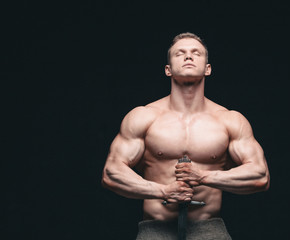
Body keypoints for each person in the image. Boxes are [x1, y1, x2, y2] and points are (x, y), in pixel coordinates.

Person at [102, 32, 270, 240]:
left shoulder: (229, 120)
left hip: (208, 229)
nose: (188, 57)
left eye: (196, 53)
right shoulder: (143, 117)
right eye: (180, 53)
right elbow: (112, 173)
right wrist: (163, 191)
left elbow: (260, 175)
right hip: (156, 228)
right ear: (168, 69)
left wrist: (204, 177)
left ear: (208, 69)